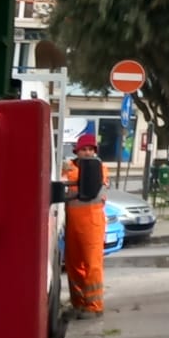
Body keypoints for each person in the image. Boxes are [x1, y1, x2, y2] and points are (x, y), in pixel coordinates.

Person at [64, 135, 107, 316]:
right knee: (73, 265)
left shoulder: (99, 167)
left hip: (92, 222)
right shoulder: (67, 168)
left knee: (92, 264)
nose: (88, 152)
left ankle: (94, 306)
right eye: (84, 149)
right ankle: (78, 303)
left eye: (91, 149)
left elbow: (96, 191)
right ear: (77, 151)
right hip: (72, 223)